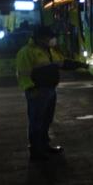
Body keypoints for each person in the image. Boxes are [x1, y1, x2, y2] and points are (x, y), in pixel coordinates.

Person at [15, 25, 84, 161]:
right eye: (49, 37)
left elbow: (61, 63)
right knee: (36, 121)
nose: (52, 40)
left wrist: (80, 65)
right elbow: (23, 74)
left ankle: (45, 146)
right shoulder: (26, 52)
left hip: (50, 90)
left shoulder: (49, 51)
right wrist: (30, 89)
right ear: (40, 38)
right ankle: (36, 151)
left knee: (46, 120)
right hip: (37, 91)